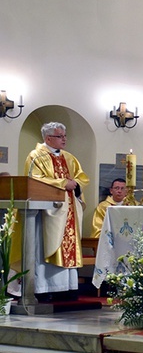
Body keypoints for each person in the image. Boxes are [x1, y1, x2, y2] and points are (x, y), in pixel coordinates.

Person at [23, 122, 90, 298]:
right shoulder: (36, 157)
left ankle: (67, 289)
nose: (64, 139)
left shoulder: (69, 157)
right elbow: (34, 180)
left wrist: (75, 185)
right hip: (49, 213)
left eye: (65, 135)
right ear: (48, 138)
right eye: (60, 136)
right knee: (46, 245)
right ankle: (45, 289)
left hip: (69, 210)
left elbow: (82, 178)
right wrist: (62, 183)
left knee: (68, 246)